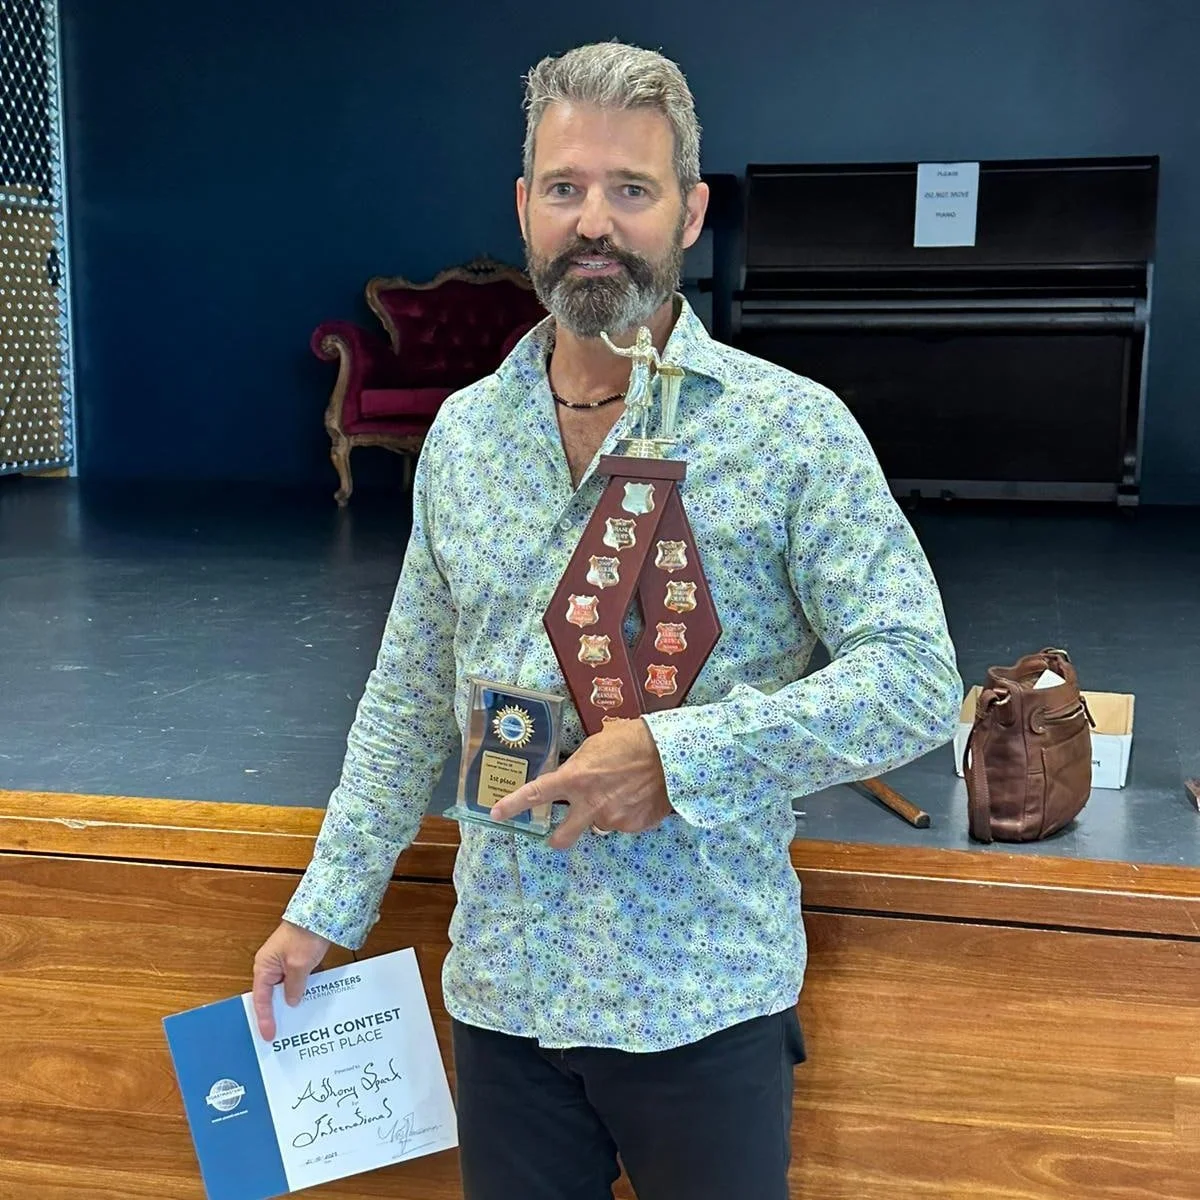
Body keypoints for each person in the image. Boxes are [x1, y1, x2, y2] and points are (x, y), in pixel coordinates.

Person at [252, 40, 962, 1200]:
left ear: (690, 213)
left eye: (632, 190)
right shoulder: (467, 440)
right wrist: (323, 910)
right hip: (504, 1002)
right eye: (567, 188)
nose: (597, 221)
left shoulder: (792, 431)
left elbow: (917, 676)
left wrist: (675, 760)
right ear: (525, 209)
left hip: (705, 1001)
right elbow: (405, 699)